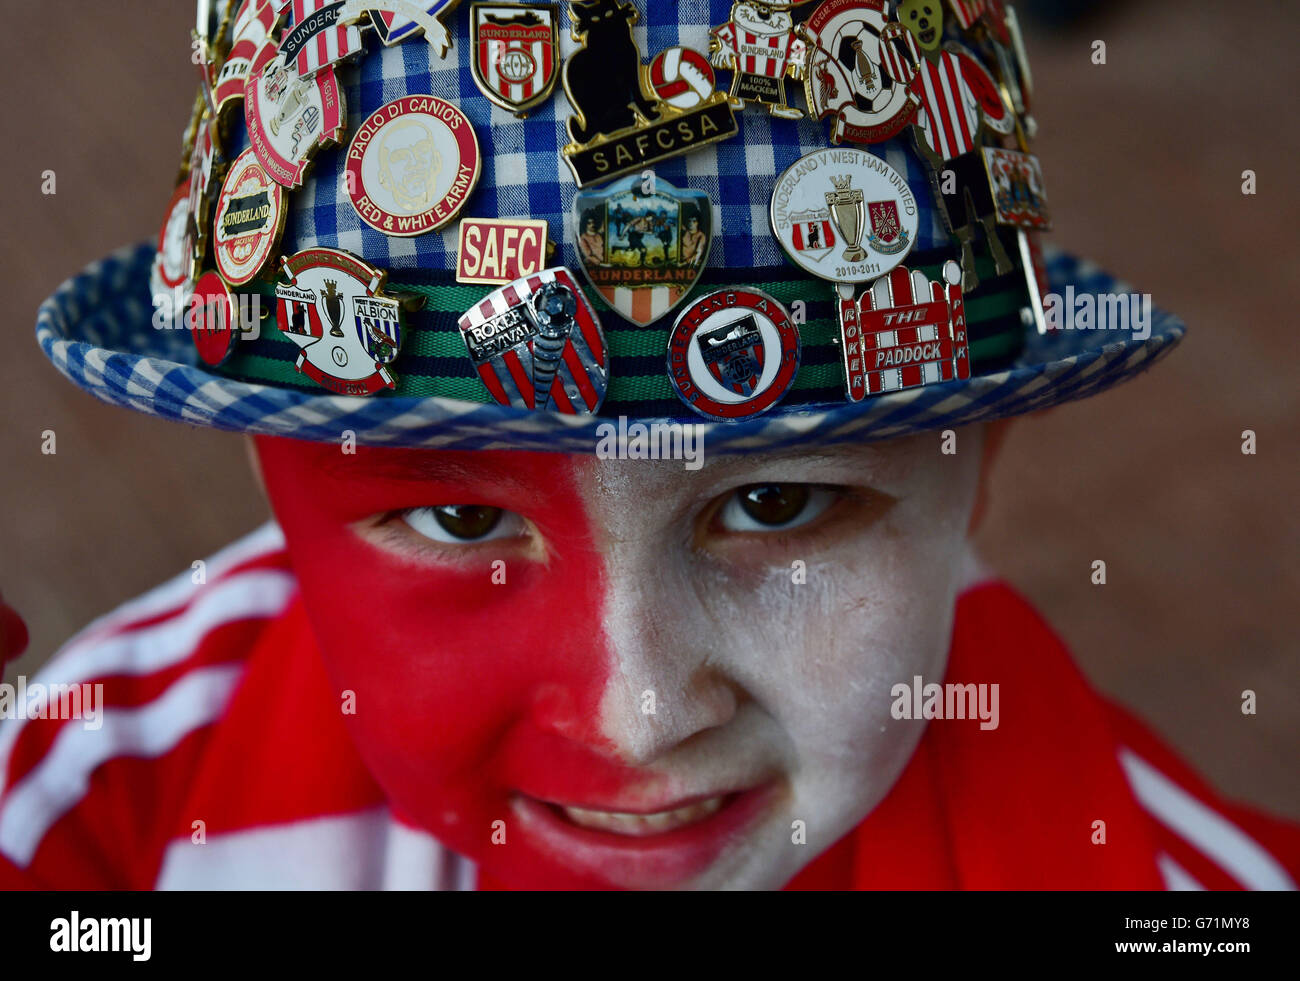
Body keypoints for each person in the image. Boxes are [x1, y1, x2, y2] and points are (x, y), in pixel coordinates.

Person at [3, 0, 1296, 891]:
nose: (644, 712)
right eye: (461, 520)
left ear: (982, 463)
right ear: (268, 482)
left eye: (782, 502)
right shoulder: (99, 805)